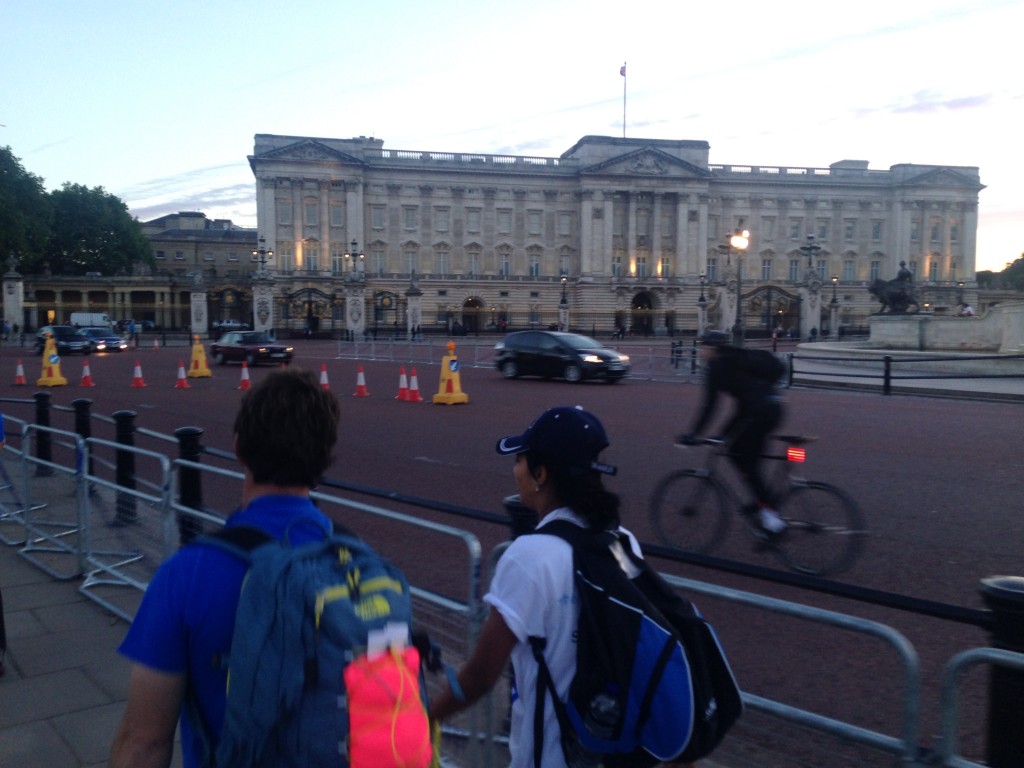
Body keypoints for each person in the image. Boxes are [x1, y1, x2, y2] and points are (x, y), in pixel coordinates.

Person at [108, 368, 341, 768]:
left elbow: (143, 743)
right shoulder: (359, 566)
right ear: (323, 459)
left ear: (238, 449)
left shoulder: (187, 575)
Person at [429, 406, 640, 767]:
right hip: (611, 743)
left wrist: (427, 716)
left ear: (540, 474)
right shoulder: (624, 542)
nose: (515, 470)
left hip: (550, 754)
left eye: (520, 461)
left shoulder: (529, 556)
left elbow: (481, 674)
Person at [678, 329, 787, 538]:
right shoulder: (739, 356)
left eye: (703, 347)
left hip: (757, 413)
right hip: (773, 407)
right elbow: (743, 405)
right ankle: (762, 500)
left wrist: (693, 434)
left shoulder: (717, 366)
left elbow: (709, 406)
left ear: (711, 348)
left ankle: (771, 517)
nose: (701, 352)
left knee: (741, 456)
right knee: (748, 460)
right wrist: (723, 434)